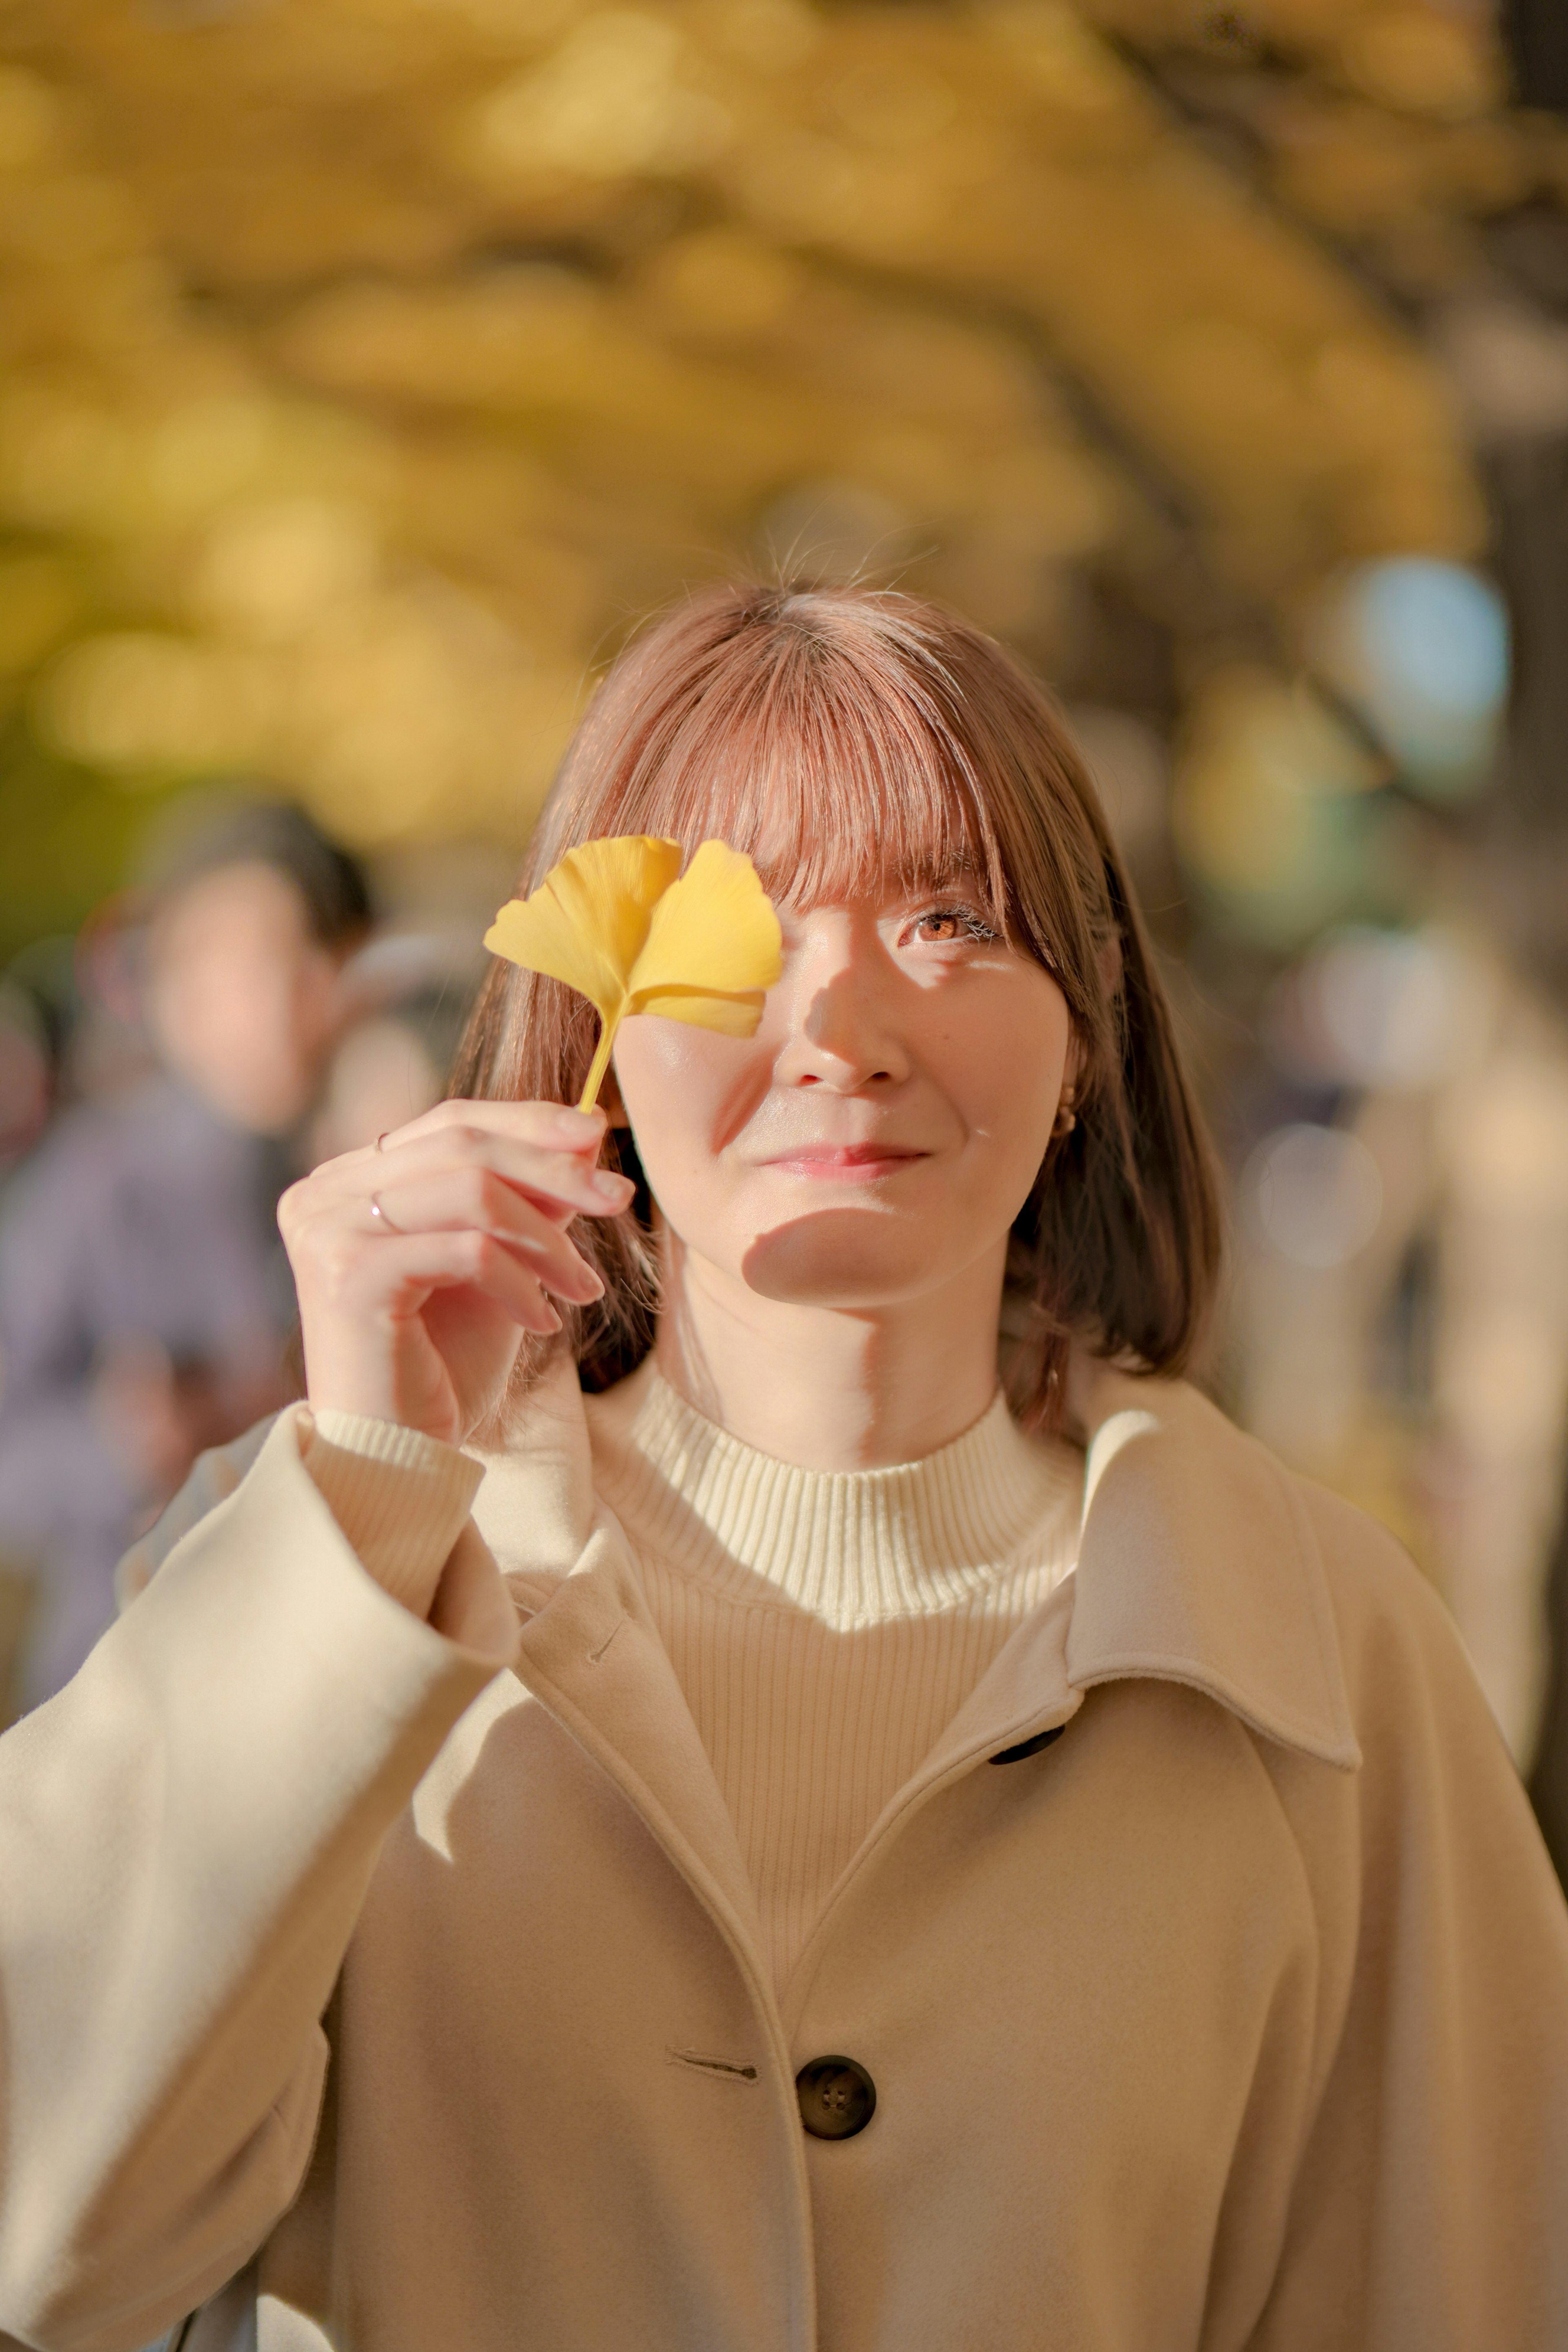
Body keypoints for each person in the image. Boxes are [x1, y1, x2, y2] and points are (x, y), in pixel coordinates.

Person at [1, 582, 1566, 2352]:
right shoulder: (328, 1572)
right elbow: (46, 2238)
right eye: (734, 927)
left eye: (956, 917)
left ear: (1085, 1031)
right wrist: (358, 1503)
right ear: (592, 1021)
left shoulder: (1332, 1666)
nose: (841, 1024)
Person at [0, 796, 370, 1704]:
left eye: (298, 957)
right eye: (232, 965)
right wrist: (120, 1440)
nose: (271, 1001)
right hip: (125, 1675)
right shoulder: (97, 1183)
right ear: (165, 989)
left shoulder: (380, 1152)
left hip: (339, 1676)